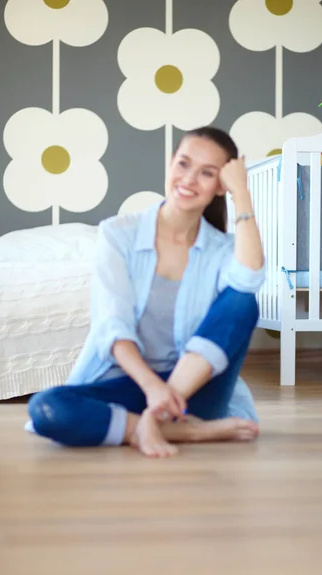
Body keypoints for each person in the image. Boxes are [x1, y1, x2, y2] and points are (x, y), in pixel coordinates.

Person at [26, 126, 265, 458]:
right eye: (183, 164)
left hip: (195, 392)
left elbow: (250, 278)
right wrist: (154, 390)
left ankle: (156, 421)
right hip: (133, 384)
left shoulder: (223, 250)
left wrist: (242, 193)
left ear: (220, 186)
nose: (189, 179)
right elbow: (112, 325)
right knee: (47, 409)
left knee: (243, 299)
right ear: (169, 165)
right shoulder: (119, 234)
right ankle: (183, 431)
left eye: (207, 173)